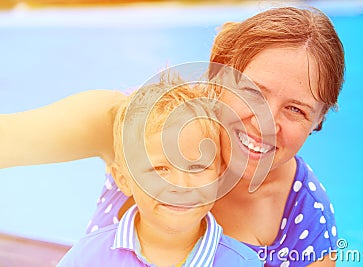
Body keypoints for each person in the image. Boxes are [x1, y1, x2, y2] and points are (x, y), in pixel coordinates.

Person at [1, 5, 344, 267]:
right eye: (252, 91)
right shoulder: (138, 124)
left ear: (318, 120)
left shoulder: (303, 215)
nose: (265, 123)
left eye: (295, 109)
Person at [57, 76, 262, 266]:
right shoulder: (89, 256)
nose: (180, 185)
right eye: (160, 169)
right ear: (124, 179)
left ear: (220, 175)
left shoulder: (242, 262)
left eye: (197, 167)